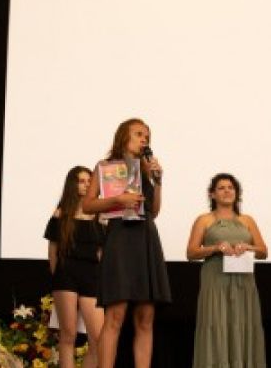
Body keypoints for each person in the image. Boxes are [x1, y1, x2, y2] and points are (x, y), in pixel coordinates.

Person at [82, 118, 172, 368]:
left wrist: (158, 182)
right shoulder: (105, 167)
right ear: (124, 136)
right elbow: (87, 205)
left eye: (147, 136)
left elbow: (154, 211)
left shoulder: (145, 168)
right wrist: (118, 200)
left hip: (145, 239)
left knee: (145, 317)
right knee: (115, 315)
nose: (144, 139)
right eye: (139, 134)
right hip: (120, 238)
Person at [186, 173, 269, 368]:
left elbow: (263, 252)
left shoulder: (247, 220)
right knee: (216, 325)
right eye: (221, 188)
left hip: (244, 284)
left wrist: (249, 247)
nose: (227, 191)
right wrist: (215, 248)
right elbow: (191, 252)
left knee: (243, 325)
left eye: (231, 187)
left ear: (237, 193)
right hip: (216, 282)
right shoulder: (204, 220)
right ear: (212, 194)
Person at [44, 166, 106, 368]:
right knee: (68, 334)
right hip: (66, 275)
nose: (87, 184)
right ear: (73, 184)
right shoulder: (60, 214)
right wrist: (58, 278)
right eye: (82, 181)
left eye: (89, 181)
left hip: (92, 275)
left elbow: (103, 252)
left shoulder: (100, 215)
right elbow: (53, 252)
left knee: (98, 338)